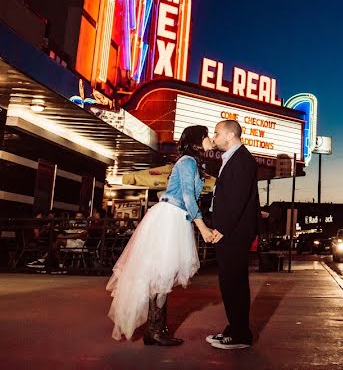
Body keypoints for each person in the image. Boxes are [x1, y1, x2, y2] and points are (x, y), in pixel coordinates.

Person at [106, 125, 215, 345]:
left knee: (162, 275)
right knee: (161, 275)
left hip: (175, 217)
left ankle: (154, 331)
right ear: (197, 140)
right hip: (170, 218)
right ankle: (156, 331)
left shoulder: (190, 162)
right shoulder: (187, 162)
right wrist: (202, 227)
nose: (210, 139)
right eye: (207, 136)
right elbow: (187, 196)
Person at [204, 119, 260, 350]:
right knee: (230, 281)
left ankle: (240, 335)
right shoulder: (233, 158)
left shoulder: (242, 160)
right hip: (231, 230)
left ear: (229, 135)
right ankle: (235, 327)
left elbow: (236, 199)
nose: (214, 137)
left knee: (233, 282)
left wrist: (222, 229)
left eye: (216, 133)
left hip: (233, 232)